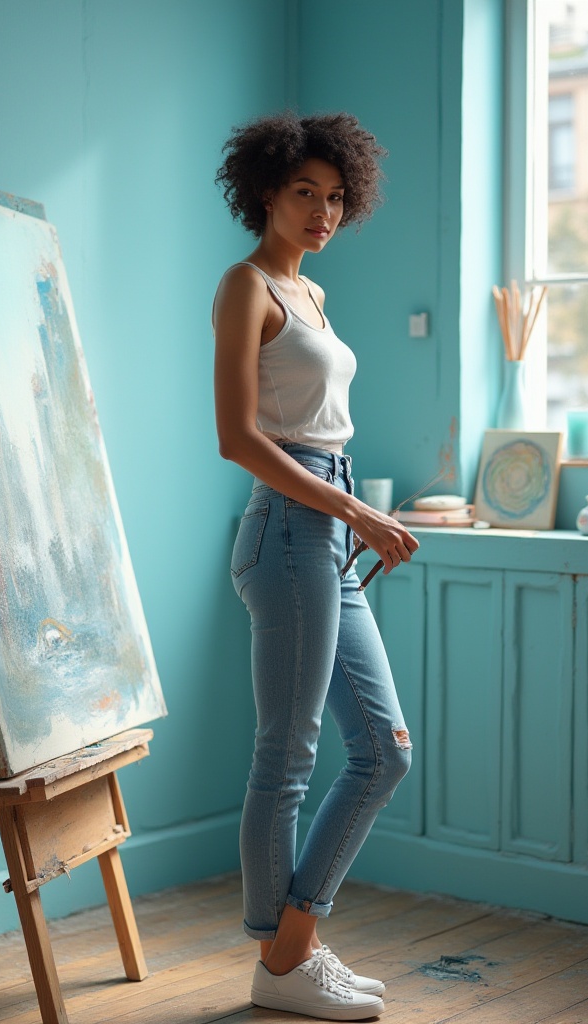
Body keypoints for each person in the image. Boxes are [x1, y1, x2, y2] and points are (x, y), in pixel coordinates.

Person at [212, 111, 418, 1021]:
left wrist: (352, 514)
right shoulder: (245, 286)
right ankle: (285, 961)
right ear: (265, 191)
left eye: (337, 198)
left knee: (384, 752)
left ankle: (293, 954)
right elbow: (238, 438)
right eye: (305, 194)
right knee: (288, 756)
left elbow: (320, 429)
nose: (323, 212)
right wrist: (354, 511)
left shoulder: (316, 297)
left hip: (327, 528)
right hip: (291, 531)